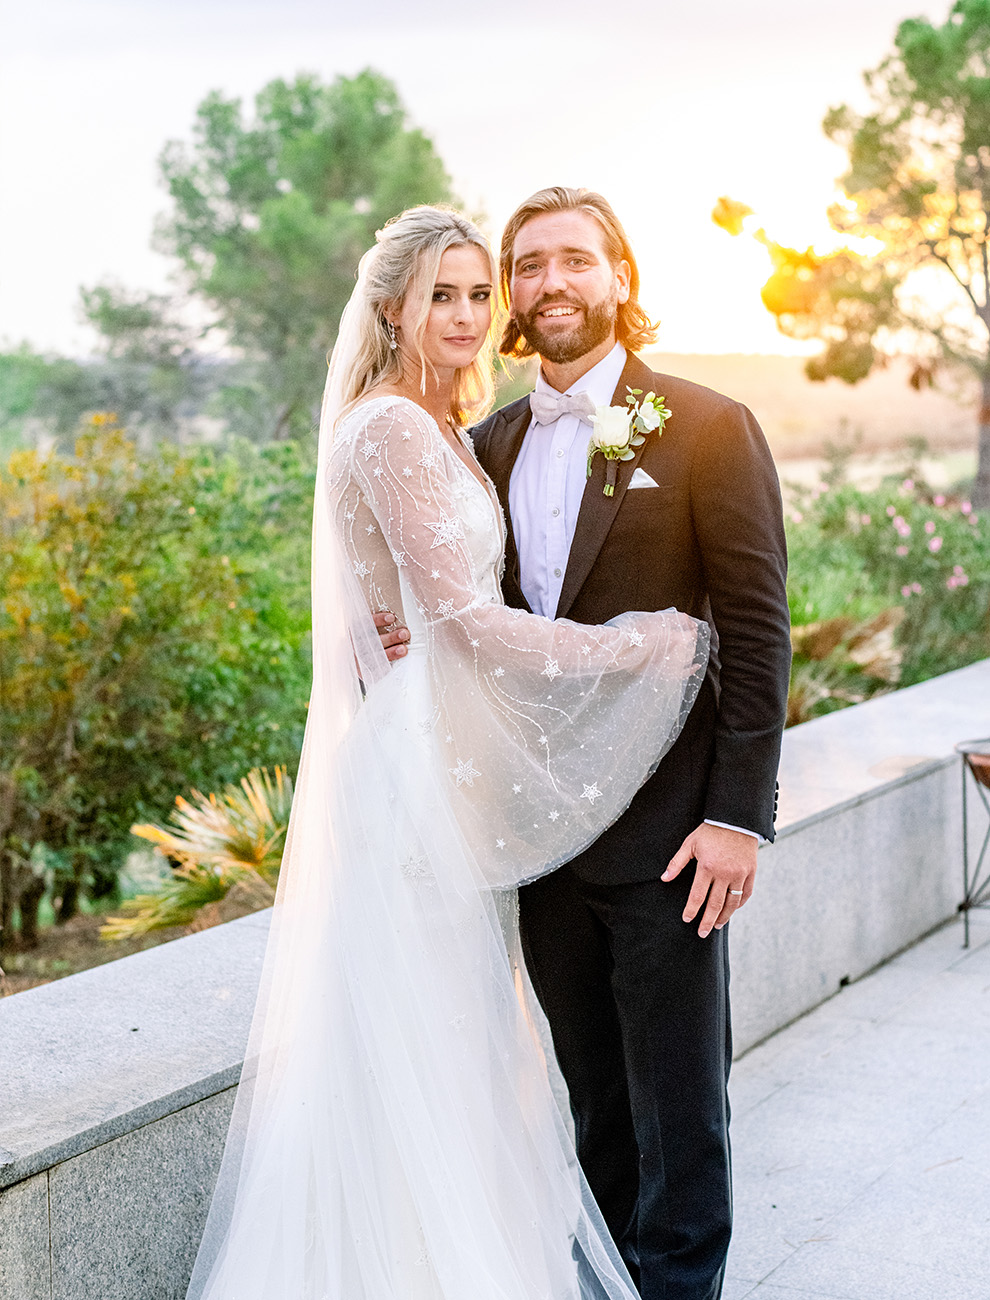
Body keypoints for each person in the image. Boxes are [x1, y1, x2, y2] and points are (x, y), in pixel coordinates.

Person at [184, 204, 712, 1300]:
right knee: (431, 1047)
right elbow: (468, 623)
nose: (470, 313)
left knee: (463, 1041)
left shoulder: (436, 426)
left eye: (480, 291)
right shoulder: (386, 426)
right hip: (416, 783)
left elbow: (416, 615)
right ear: (391, 308)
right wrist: (629, 649)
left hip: (441, 767)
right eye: (444, 294)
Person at [380, 188, 792, 1300]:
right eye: (528, 266)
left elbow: (756, 631)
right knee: (591, 1102)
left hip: (672, 837)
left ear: (620, 278)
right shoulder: (482, 445)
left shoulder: (709, 425)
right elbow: (458, 614)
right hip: (539, 836)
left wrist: (737, 815)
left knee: (679, 1108)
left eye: (573, 261)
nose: (548, 284)